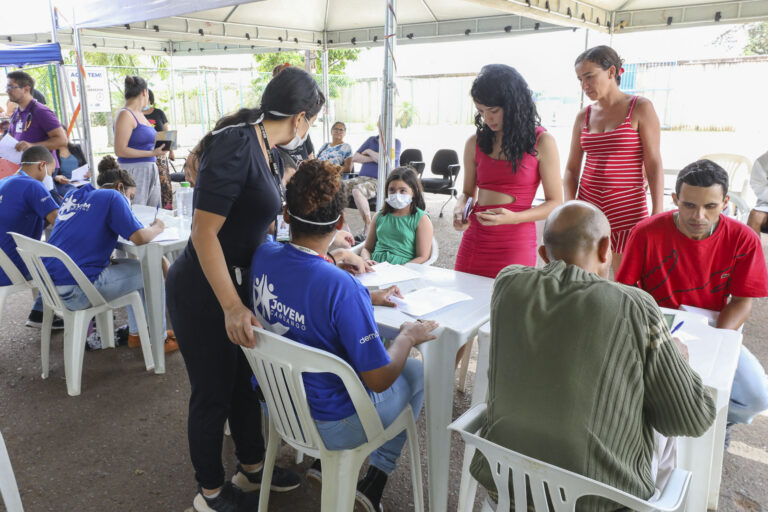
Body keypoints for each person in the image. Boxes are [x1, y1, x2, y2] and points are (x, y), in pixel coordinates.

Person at [471, 200, 715, 511]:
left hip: (505, 485)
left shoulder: (507, 283)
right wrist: (677, 358)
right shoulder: (635, 305)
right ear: (606, 250)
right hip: (600, 500)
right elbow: (692, 418)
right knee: (664, 437)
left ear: (544, 255)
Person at [165, 66, 326, 512]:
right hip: (205, 289)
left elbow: (258, 219)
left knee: (241, 381)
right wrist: (232, 306)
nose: (306, 130)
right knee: (212, 391)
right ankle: (210, 492)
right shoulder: (238, 146)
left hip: (236, 285)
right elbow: (203, 233)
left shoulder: (266, 147)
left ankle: (253, 467)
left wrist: (331, 245)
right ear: (300, 118)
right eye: (309, 122)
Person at [250, 159, 438, 511]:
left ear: (287, 215)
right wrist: (408, 337)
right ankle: (375, 479)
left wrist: (342, 270)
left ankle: (326, 466)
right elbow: (380, 379)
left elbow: (303, 278)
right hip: (332, 424)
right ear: (339, 222)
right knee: (413, 371)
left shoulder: (263, 255)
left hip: (278, 406)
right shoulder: (342, 287)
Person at [617, 159, 768, 429]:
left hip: (715, 327)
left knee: (757, 397)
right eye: (689, 205)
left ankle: (718, 426)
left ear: (725, 204)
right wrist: (652, 332)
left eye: (710, 207)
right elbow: (627, 291)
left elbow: (743, 300)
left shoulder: (744, 239)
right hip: (657, 327)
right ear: (675, 199)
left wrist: (716, 340)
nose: (699, 216)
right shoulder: (645, 233)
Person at [43, 164, 178, 353]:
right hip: (77, 290)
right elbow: (139, 238)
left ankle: (138, 334)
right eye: (131, 196)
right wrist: (158, 227)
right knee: (152, 269)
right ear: (120, 186)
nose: (130, 201)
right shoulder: (113, 196)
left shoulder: (74, 195)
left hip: (51, 288)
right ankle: (159, 340)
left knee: (135, 268)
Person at [453, 64, 563, 279]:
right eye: (481, 111)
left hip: (516, 240)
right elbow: (467, 192)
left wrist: (514, 218)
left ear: (513, 105)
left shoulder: (542, 141)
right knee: (464, 298)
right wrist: (459, 209)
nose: (487, 118)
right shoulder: (474, 142)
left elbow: (555, 202)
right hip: (475, 238)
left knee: (510, 304)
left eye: (493, 111)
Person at [564, 46, 664, 274]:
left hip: (628, 209)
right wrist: (569, 206)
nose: (584, 85)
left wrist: (657, 212)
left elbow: (654, 165)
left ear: (611, 72)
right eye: (580, 79)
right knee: (584, 277)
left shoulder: (640, 107)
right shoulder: (583, 115)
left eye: (589, 77)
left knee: (625, 280)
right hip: (588, 208)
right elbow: (571, 170)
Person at [0, 146, 61, 328]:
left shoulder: (5, 181)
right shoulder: (33, 185)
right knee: (66, 262)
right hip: (12, 267)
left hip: (3, 260)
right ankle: (85, 316)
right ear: (42, 165)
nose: (49, 176)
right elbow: (59, 223)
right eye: (50, 171)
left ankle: (39, 312)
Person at [361, 166, 433, 265]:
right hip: (374, 268)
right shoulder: (379, 216)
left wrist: (399, 270)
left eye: (403, 190)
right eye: (392, 190)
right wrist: (366, 261)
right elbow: (367, 248)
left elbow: (423, 257)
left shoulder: (421, 219)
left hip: (403, 271)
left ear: (414, 192)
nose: (396, 194)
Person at [114, 76, 168, 207]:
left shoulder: (139, 113)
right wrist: (151, 153)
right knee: (137, 212)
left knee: (153, 213)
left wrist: (162, 146)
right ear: (145, 92)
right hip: (133, 170)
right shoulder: (125, 114)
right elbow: (120, 150)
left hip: (149, 168)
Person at [5, 71, 67, 170]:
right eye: (7, 88)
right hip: (24, 169)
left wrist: (32, 146)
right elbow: (11, 138)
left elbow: (62, 140)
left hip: (42, 171)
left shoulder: (41, 112)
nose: (7, 91)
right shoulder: (16, 113)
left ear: (26, 89)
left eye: (11, 87)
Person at [347, 134, 402, 236]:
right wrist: (376, 157)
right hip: (361, 178)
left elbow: (386, 160)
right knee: (336, 187)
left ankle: (369, 225)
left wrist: (368, 152)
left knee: (357, 191)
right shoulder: (371, 139)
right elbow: (355, 158)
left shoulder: (395, 142)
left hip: (380, 180)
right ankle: (341, 225)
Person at [144, 89, 175, 209]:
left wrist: (171, 151)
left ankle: (167, 209)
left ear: (150, 99)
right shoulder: (134, 115)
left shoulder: (159, 113)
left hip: (160, 154)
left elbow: (167, 133)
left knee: (164, 184)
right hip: (144, 154)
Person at [747, 150, 768, 235]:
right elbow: (757, 184)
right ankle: (752, 248)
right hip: (766, 204)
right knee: (755, 216)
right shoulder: (763, 161)